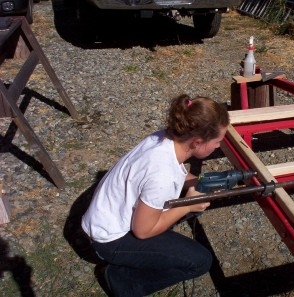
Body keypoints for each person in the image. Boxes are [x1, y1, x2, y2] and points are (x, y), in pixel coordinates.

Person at [81, 94, 230, 297]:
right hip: (109, 241)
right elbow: (142, 231)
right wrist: (187, 205)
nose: (218, 146)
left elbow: (179, 171)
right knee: (200, 262)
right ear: (197, 141)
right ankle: (122, 281)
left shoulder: (165, 138)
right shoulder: (162, 176)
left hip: (100, 221)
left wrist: (198, 184)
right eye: (217, 141)